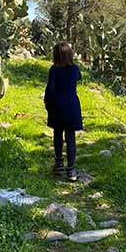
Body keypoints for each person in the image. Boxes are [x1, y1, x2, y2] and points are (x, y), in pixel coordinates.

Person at [44, 42, 82, 182]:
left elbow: (50, 88)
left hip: (57, 105)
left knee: (58, 133)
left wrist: (47, 102)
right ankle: (71, 170)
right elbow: (79, 77)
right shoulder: (75, 69)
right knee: (70, 137)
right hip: (72, 105)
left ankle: (59, 163)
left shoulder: (54, 69)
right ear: (70, 54)